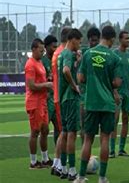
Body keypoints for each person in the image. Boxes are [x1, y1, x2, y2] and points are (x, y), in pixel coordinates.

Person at [75, 26, 122, 183]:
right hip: (107, 104)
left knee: (88, 139)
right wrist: (110, 83)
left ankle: (81, 176)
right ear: (112, 38)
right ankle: (102, 177)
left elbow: (80, 78)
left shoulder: (88, 54)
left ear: (101, 36)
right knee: (105, 140)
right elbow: (117, 82)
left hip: (91, 102)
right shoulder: (114, 57)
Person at [58, 28, 83, 180]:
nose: (80, 44)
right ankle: (73, 170)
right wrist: (75, 86)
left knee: (66, 133)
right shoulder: (67, 53)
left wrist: (77, 62)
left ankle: (63, 168)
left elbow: (68, 68)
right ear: (72, 39)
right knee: (72, 134)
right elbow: (66, 71)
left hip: (63, 99)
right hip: (71, 98)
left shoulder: (62, 54)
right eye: (79, 41)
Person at [25, 38, 53, 169]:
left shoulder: (40, 62)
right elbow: (31, 86)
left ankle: (45, 158)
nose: (42, 52)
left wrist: (47, 82)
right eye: (41, 50)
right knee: (35, 131)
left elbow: (41, 80)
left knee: (45, 130)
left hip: (42, 101)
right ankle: (33, 161)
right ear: (33, 49)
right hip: (34, 102)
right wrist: (46, 85)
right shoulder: (30, 64)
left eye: (43, 50)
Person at [109, 30, 129, 158]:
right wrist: (114, 90)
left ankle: (121, 149)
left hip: (128, 93)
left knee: (126, 120)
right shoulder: (114, 54)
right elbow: (109, 73)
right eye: (126, 38)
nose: (128, 40)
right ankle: (111, 149)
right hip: (117, 93)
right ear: (120, 40)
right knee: (114, 120)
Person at [50, 27, 71, 176]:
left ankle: (59, 163)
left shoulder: (57, 53)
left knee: (64, 131)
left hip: (59, 96)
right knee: (65, 131)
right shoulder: (62, 54)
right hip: (62, 97)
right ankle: (58, 164)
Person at [79, 27, 101, 144]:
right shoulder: (83, 53)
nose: (94, 43)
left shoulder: (103, 55)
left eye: (96, 41)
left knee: (95, 130)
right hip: (84, 97)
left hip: (99, 98)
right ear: (88, 41)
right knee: (84, 128)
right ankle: (85, 152)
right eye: (92, 41)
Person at [41, 35, 60, 145]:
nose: (55, 49)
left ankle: (59, 157)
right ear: (46, 47)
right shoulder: (42, 61)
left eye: (56, 47)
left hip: (56, 99)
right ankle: (45, 157)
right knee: (44, 130)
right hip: (46, 100)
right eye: (53, 47)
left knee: (59, 127)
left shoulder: (57, 60)